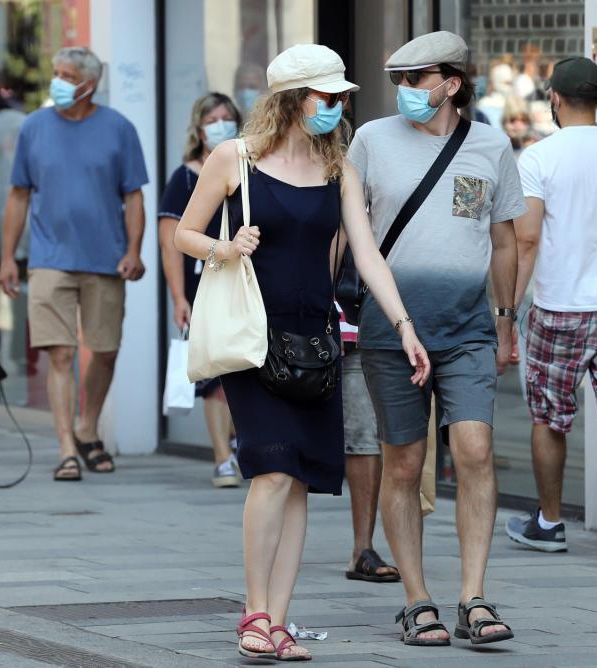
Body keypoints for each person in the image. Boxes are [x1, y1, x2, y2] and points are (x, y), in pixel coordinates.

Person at [175, 44, 429, 661]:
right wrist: (227, 248)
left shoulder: (337, 166)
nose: (337, 106)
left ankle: (279, 621)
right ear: (293, 99)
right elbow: (185, 232)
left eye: (341, 97)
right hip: (253, 336)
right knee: (273, 469)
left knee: (300, 482)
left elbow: (366, 253)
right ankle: (254, 613)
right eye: (327, 96)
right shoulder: (234, 158)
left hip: (314, 339)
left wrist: (402, 324)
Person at [349, 31, 525, 646]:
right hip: (388, 332)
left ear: (450, 84)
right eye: (399, 80)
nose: (405, 92)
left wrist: (506, 320)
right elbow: (349, 235)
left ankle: (473, 596)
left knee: (474, 450)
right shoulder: (369, 140)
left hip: (468, 328)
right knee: (405, 461)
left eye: (417, 80)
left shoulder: (491, 146)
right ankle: (416, 599)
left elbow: (504, 241)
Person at [506, 57, 597, 561]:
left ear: (553, 97)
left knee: (550, 416)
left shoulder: (538, 158)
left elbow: (526, 240)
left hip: (558, 306)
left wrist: (507, 312)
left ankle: (549, 522)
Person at [0, 47, 148, 481]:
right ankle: (66, 447)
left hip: (106, 259)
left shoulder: (119, 129)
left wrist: (134, 250)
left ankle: (87, 429)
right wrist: (9, 256)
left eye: (66, 76)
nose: (58, 82)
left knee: (104, 350)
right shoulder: (33, 128)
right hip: (49, 258)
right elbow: (18, 195)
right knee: (60, 354)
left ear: (89, 84)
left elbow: (134, 195)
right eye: (56, 73)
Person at [158, 92, 242, 488]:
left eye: (227, 117)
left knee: (242, 364)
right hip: (202, 279)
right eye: (212, 118)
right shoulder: (185, 177)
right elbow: (168, 241)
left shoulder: (249, 167)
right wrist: (179, 297)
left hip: (242, 277)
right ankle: (223, 457)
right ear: (198, 128)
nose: (220, 124)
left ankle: (239, 444)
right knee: (216, 374)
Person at [340, 307, 400, 584]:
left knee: (364, 438)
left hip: (363, 330)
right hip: (301, 326)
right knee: (288, 446)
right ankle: (276, 550)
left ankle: (362, 548)